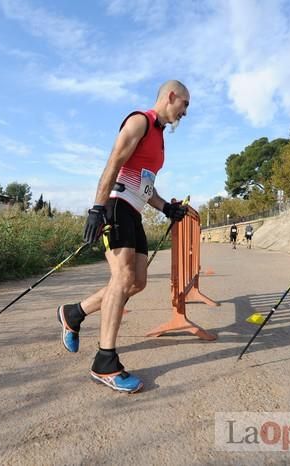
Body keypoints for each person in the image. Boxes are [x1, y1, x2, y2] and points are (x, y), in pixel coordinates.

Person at [56, 80, 190, 393]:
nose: (185, 112)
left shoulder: (158, 136)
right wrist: (96, 208)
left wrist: (165, 208)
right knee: (122, 279)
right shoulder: (140, 121)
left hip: (134, 211)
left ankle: (73, 313)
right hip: (116, 206)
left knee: (137, 281)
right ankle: (105, 362)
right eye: (185, 105)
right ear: (171, 96)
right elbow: (114, 163)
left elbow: (145, 184)